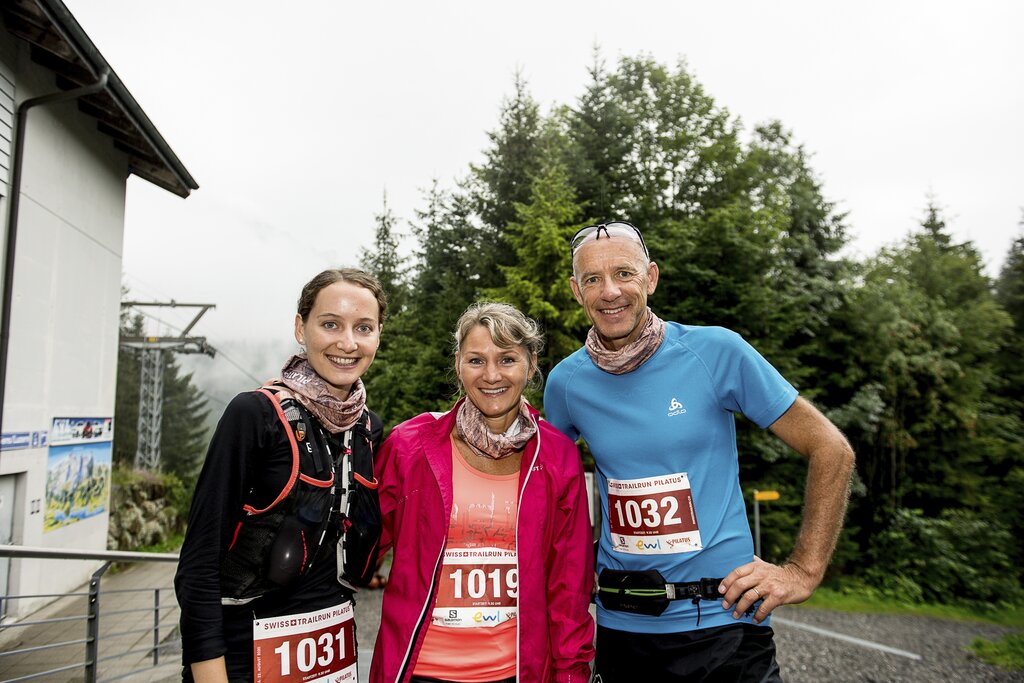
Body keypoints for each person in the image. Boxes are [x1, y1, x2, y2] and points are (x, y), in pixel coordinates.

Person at [544, 221, 856, 682]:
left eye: (624, 274)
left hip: (724, 626)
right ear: (576, 291)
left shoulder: (715, 351)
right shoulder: (566, 384)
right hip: (622, 631)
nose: (610, 291)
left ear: (650, 277)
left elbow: (830, 447)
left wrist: (803, 570)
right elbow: (544, 490)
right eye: (593, 279)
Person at [174, 268, 387, 683]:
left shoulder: (367, 429)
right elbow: (199, 564)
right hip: (244, 656)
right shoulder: (255, 415)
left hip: (331, 654)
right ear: (300, 328)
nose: (348, 342)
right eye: (330, 324)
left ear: (378, 336)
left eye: (364, 327)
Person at [371, 302, 594, 683]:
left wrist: (571, 676)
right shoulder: (409, 446)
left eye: (507, 359)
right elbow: (358, 551)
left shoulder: (557, 455)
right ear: (458, 363)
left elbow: (569, 592)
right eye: (476, 360)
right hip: (419, 670)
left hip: (515, 672)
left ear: (531, 362)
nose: (492, 375)